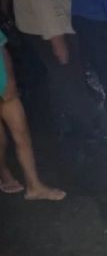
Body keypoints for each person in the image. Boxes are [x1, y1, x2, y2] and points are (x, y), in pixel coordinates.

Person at [10, 0, 99, 137]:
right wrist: (55, 36)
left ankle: (69, 128)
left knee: (60, 75)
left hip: (46, 21)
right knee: (69, 75)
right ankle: (85, 131)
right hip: (48, 24)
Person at [0, 30, 65, 201]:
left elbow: (2, 49)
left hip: (5, 88)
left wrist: (10, 81)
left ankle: (34, 186)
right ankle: (3, 171)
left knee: (22, 134)